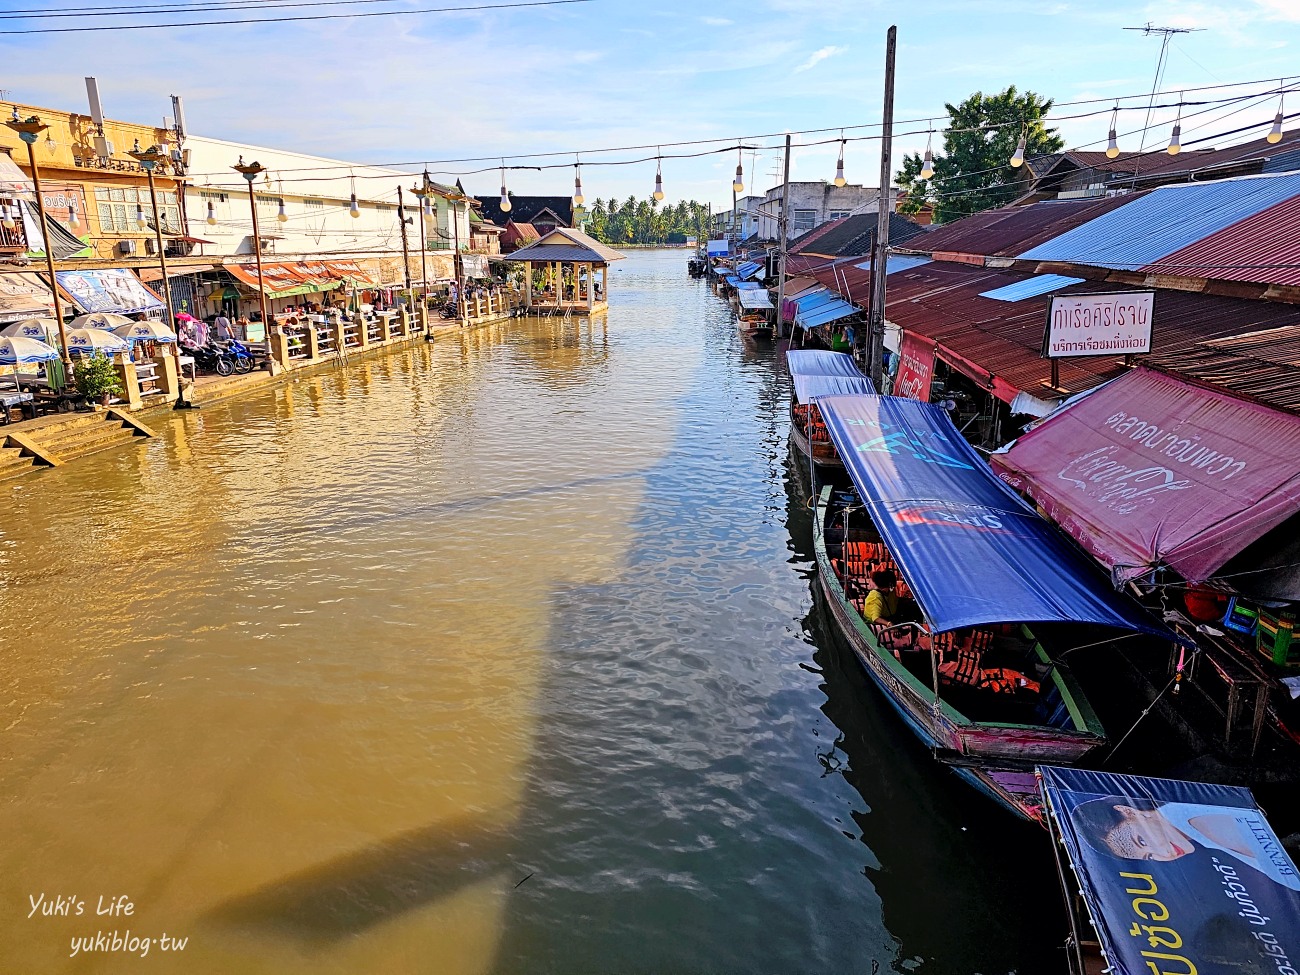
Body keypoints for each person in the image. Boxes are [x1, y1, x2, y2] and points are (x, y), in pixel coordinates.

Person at [1074, 796, 1300, 889]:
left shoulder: (1201, 817)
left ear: (1127, 811)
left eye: (1142, 840)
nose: (1164, 852)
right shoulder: (1203, 835)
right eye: (1150, 856)